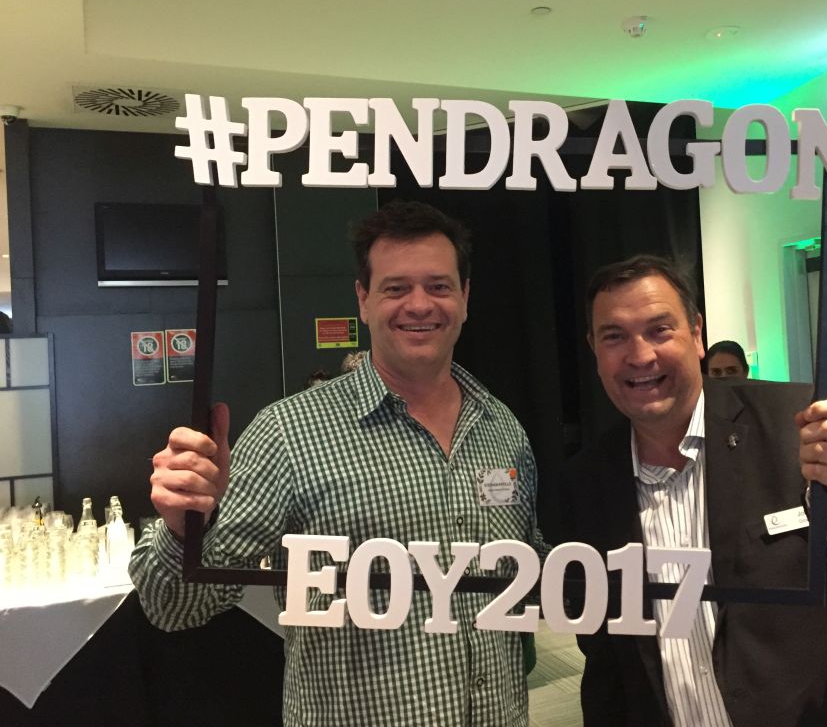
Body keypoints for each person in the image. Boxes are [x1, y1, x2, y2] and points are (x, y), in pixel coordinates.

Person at [130, 201, 547, 727]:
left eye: (439, 286)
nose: (420, 304)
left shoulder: (502, 428)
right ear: (363, 300)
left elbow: (528, 571)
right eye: (396, 288)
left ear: (465, 297)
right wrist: (182, 528)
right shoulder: (289, 433)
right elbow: (172, 607)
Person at [560, 254, 827, 727]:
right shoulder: (588, 482)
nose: (639, 356)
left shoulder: (799, 425)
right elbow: (608, 664)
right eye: (614, 336)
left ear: (696, 334)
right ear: (593, 349)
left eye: (660, 330)